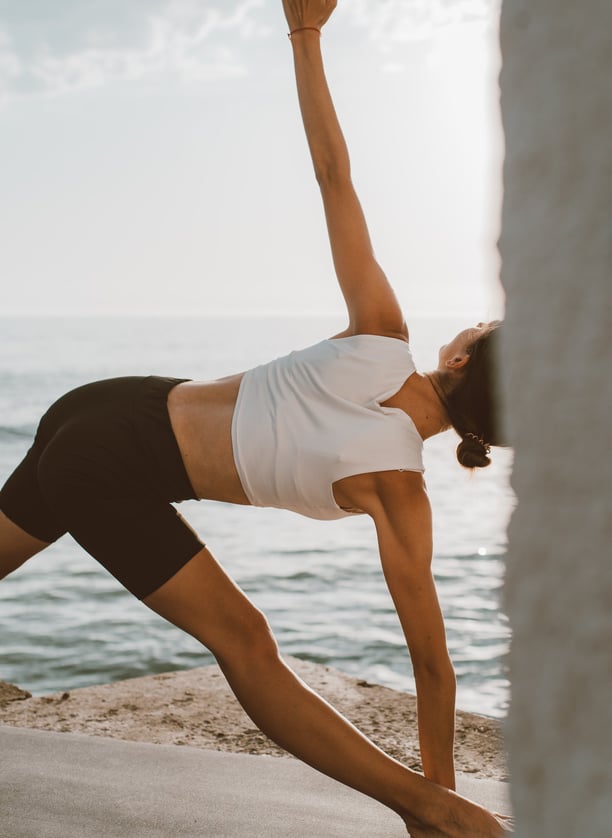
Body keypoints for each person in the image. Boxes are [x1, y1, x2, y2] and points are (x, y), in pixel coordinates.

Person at [0, 1, 512, 835]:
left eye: (487, 327)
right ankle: (429, 814)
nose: (479, 320)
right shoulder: (399, 490)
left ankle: (435, 815)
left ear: (461, 359)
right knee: (246, 640)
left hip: (104, 412)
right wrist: (439, 791)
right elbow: (431, 664)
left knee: (240, 634)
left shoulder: (381, 334)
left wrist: (305, 35)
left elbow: (333, 174)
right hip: (114, 454)